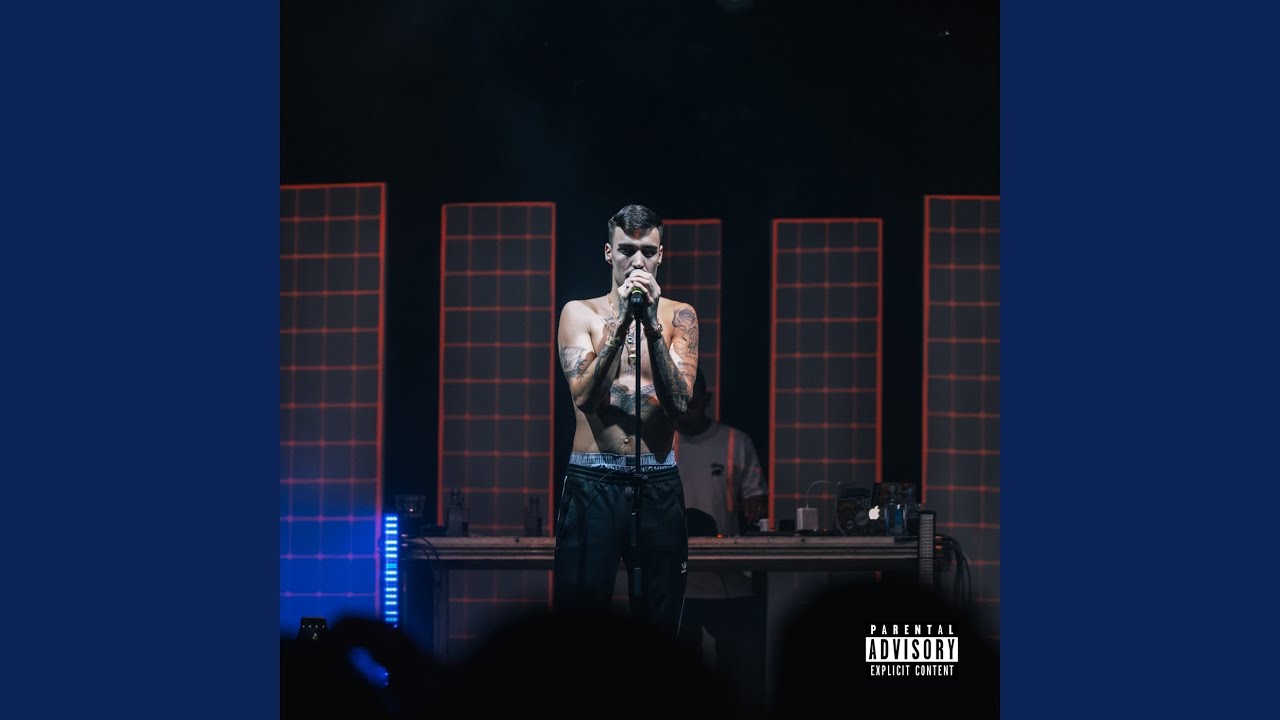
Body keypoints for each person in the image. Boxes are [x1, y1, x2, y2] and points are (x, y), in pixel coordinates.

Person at [553, 204, 699, 637]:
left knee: (660, 622)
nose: (637, 261)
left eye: (647, 251)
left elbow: (679, 405)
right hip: (592, 480)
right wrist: (619, 328)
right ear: (608, 253)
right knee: (580, 621)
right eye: (626, 250)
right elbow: (584, 397)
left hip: (656, 480)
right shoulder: (579, 313)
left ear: (660, 255)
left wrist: (651, 325)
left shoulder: (680, 317)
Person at [674, 369, 769, 709]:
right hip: (676, 579)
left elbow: (756, 496)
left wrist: (755, 505)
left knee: (734, 668)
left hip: (726, 577)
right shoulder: (657, 444)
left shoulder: (734, 442)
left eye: (690, 403)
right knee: (679, 673)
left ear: (707, 400)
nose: (684, 411)